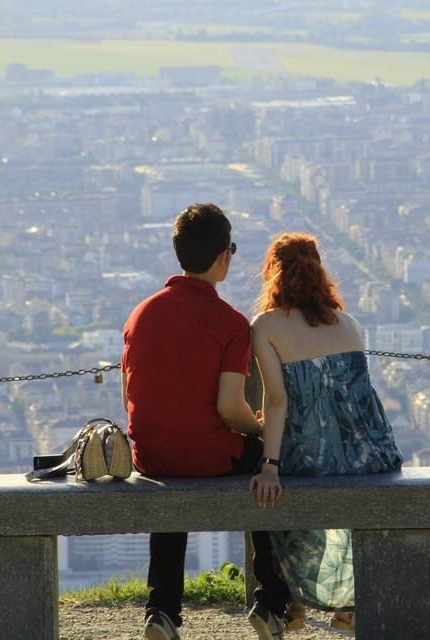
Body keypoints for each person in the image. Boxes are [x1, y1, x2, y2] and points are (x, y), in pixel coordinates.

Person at [121, 203, 292, 640]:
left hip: (150, 456)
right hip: (207, 453)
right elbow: (229, 407)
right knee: (269, 463)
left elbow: (132, 395)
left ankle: (161, 610)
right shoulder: (230, 323)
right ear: (223, 257)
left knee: (170, 479)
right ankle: (271, 602)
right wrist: (258, 430)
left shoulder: (140, 315)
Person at [248, 232, 404, 632]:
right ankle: (348, 607)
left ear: (271, 273)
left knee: (270, 484)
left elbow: (277, 402)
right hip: (371, 454)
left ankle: (289, 603)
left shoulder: (265, 326)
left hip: (312, 455)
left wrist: (269, 465)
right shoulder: (350, 325)